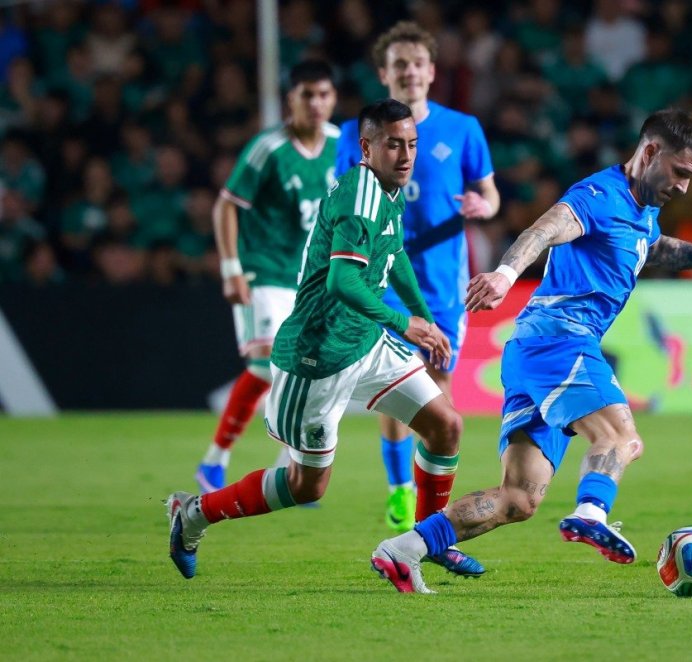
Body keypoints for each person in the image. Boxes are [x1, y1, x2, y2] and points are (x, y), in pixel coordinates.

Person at [370, 109, 692, 594]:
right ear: (650, 152)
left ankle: (403, 549)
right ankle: (590, 513)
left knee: (517, 499)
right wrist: (505, 274)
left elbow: (651, 247)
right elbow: (545, 229)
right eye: (680, 172)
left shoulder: (641, 208)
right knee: (622, 439)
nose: (685, 187)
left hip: (531, 350)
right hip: (560, 340)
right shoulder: (597, 195)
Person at [167, 99, 474, 580]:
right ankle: (193, 514)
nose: (406, 155)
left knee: (446, 426)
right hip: (317, 356)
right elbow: (342, 281)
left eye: (412, 144)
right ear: (366, 148)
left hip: (365, 342)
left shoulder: (389, 190)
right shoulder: (360, 198)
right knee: (306, 485)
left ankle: (425, 540)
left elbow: (395, 253)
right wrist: (404, 323)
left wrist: (424, 316)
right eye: (394, 145)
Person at [335, 22, 500, 545]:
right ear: (384, 74)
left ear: (432, 71)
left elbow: (491, 195)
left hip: (442, 283)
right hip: (381, 277)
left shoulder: (463, 128)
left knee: (440, 394)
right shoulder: (354, 134)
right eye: (399, 64)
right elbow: (344, 191)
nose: (409, 71)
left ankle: (431, 509)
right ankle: (400, 487)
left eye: (417, 63)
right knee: (394, 387)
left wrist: (482, 205)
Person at [194, 60, 339, 494]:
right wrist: (231, 268)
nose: (315, 103)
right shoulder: (269, 148)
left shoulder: (342, 145)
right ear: (291, 99)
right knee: (264, 366)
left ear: (333, 98)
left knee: (313, 372)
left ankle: (292, 473)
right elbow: (226, 205)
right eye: (307, 95)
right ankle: (214, 460)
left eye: (323, 94)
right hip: (265, 271)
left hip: (313, 279)